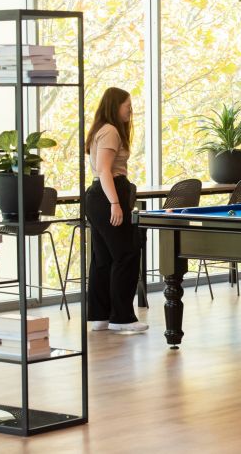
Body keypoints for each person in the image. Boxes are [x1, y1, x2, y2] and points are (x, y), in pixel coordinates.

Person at [84, 87, 148, 332]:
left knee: (103, 258)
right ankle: (122, 318)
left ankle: (100, 316)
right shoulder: (111, 131)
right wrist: (115, 203)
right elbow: (104, 171)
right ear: (114, 106)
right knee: (127, 254)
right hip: (108, 194)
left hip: (96, 196)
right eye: (127, 106)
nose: (130, 111)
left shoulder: (100, 129)